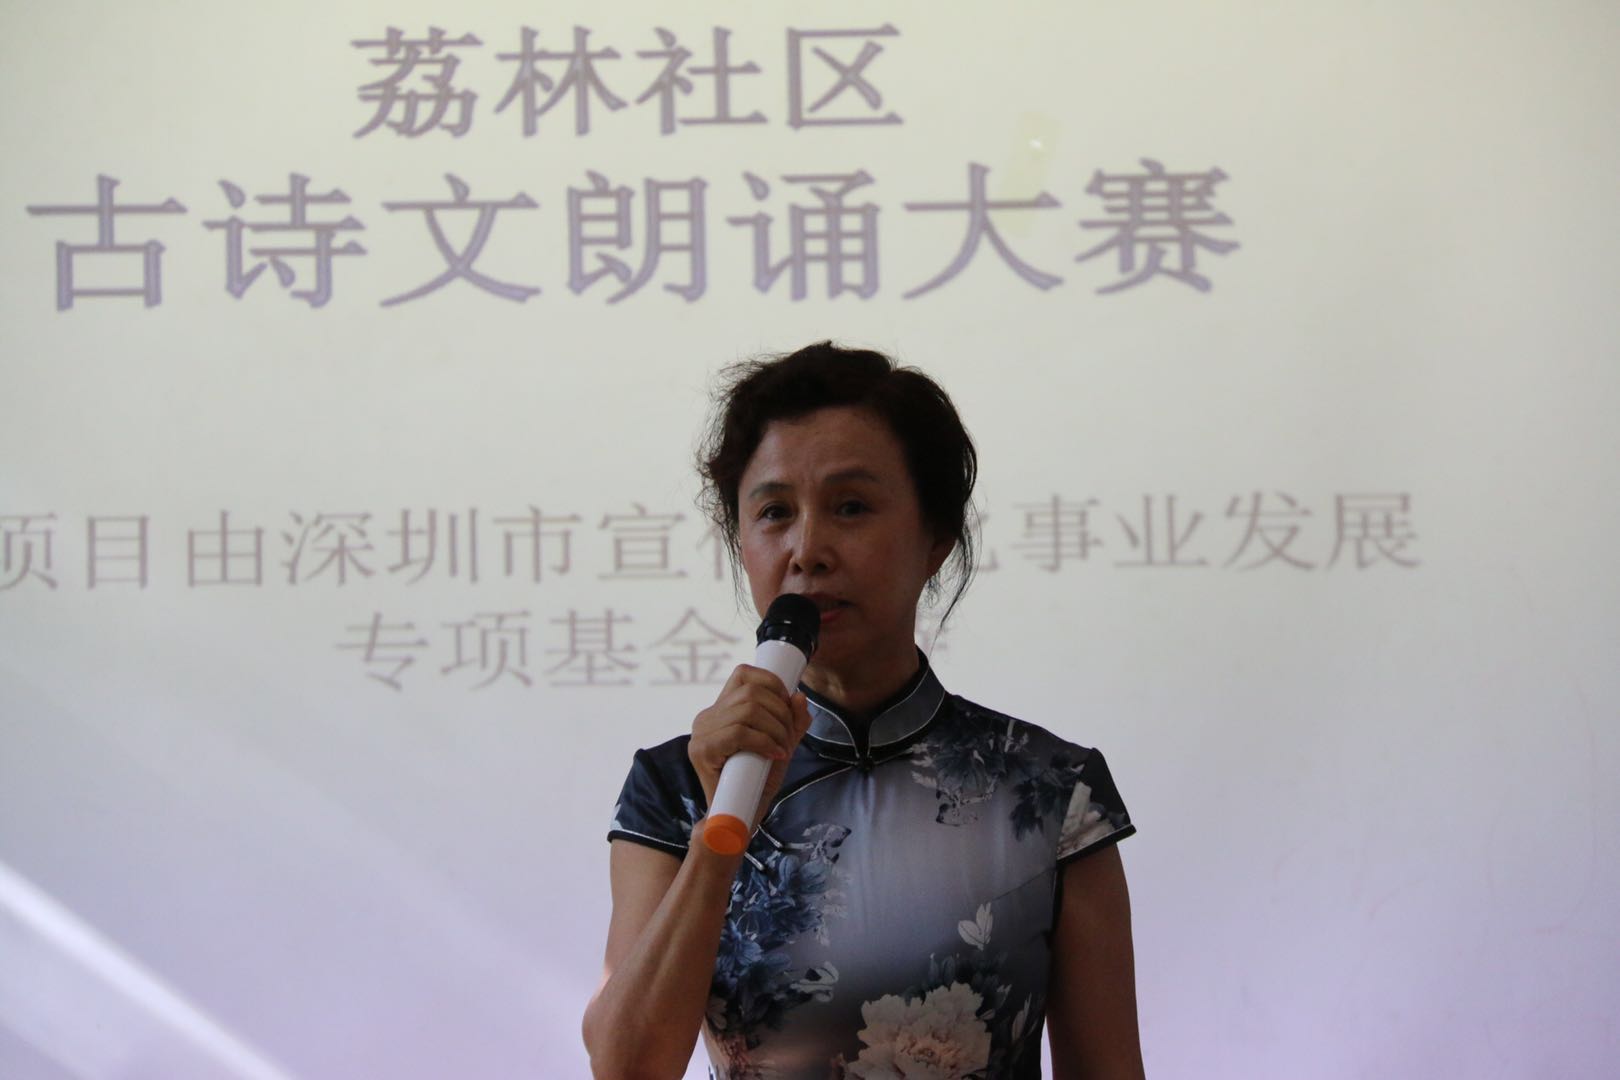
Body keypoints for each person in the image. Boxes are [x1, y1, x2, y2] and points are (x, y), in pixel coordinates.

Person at [582, 342, 1143, 1079]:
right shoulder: (678, 784)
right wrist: (719, 840)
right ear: (740, 541)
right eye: (774, 513)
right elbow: (624, 1067)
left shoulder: (1049, 787)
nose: (807, 549)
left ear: (935, 538)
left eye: (851, 507)